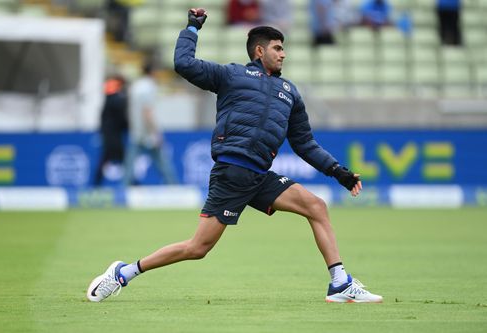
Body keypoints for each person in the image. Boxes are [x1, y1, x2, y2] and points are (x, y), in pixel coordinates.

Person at [86, 7, 383, 304]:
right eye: (277, 48)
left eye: (284, 49)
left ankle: (340, 283)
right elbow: (183, 63)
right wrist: (192, 28)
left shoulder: (290, 92)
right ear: (259, 51)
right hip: (232, 172)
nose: (283, 54)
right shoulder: (231, 75)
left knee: (316, 206)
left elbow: (304, 143)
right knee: (197, 248)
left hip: (258, 175)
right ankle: (123, 273)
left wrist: (338, 171)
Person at [123, 62, 178, 185]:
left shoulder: (136, 86)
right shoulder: (149, 87)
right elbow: (147, 112)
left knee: (130, 162)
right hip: (148, 132)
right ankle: (174, 187)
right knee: (162, 162)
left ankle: (123, 189)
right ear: (152, 72)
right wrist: (156, 132)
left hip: (136, 131)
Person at [93, 75, 129, 186]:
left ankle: (96, 184)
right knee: (123, 159)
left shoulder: (109, 98)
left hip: (109, 134)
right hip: (113, 135)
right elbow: (121, 117)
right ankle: (133, 182)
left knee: (108, 159)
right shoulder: (116, 98)